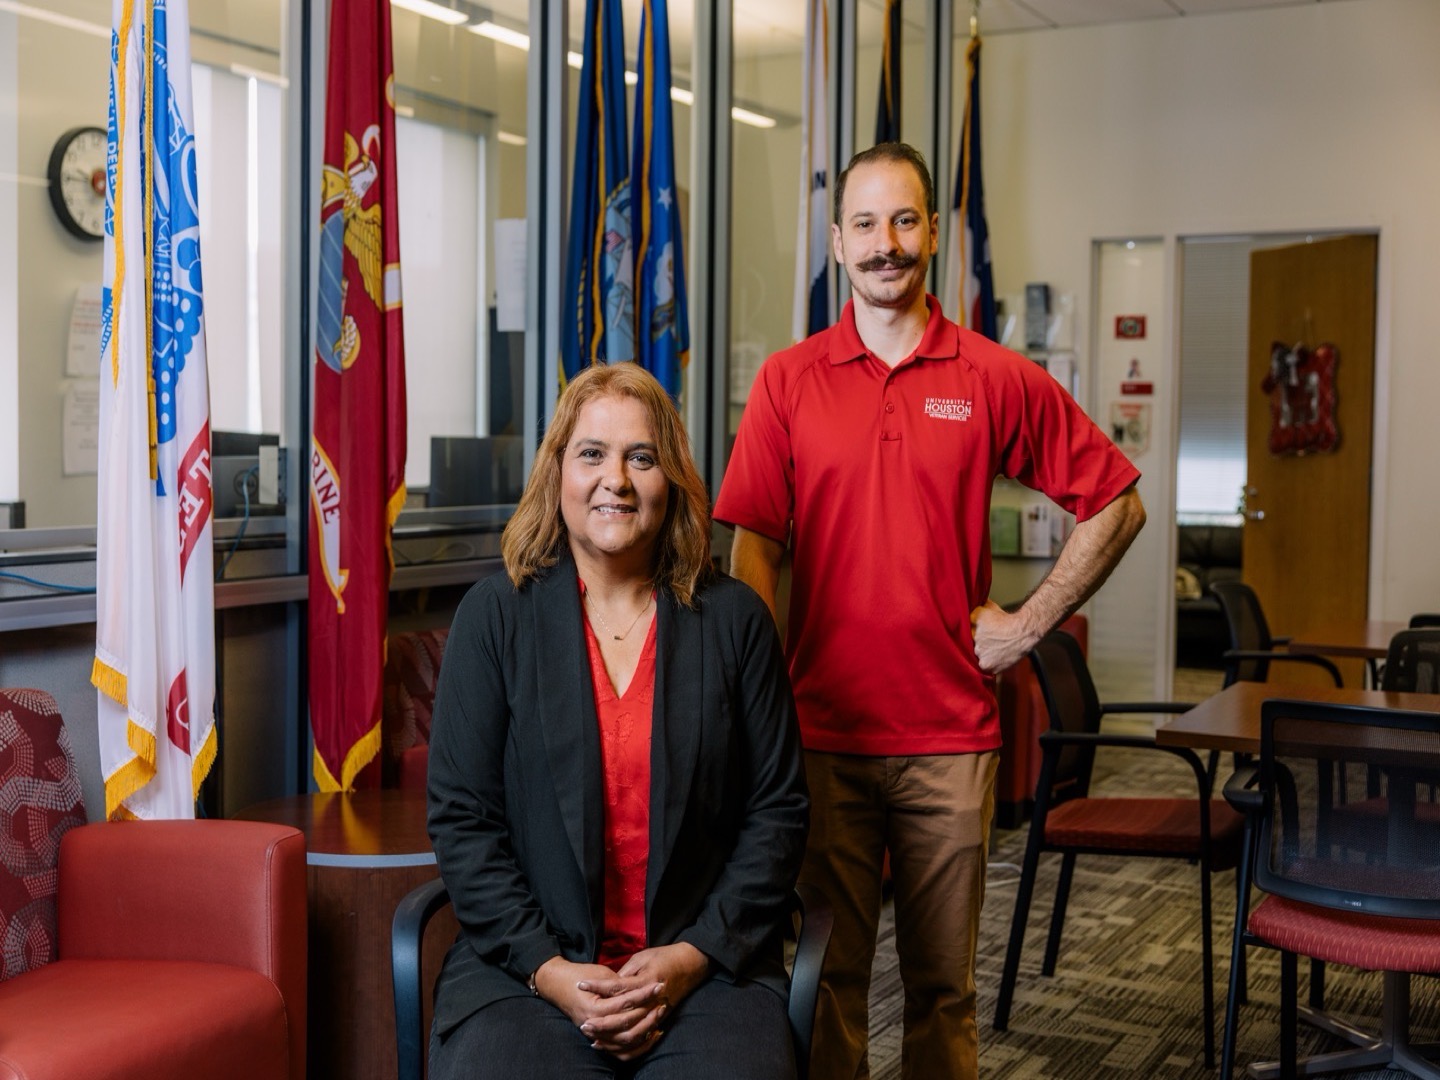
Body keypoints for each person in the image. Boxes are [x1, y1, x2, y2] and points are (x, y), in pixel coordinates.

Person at [714, 142, 1146, 1080]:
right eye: (865, 224)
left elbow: (1116, 500)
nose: (885, 244)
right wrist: (758, 706)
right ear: (836, 242)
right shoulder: (787, 383)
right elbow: (754, 546)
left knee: (943, 989)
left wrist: (1030, 625)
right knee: (824, 980)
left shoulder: (990, 375)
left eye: (903, 221)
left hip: (951, 741)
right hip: (819, 739)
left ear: (934, 234)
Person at [426, 362, 809, 1080]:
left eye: (642, 456)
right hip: (527, 973)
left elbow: (778, 814)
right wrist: (552, 972)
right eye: (592, 454)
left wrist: (690, 959)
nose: (617, 480)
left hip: (704, 969)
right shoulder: (495, 617)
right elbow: (462, 821)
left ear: (673, 477)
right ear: (557, 474)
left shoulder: (735, 622)